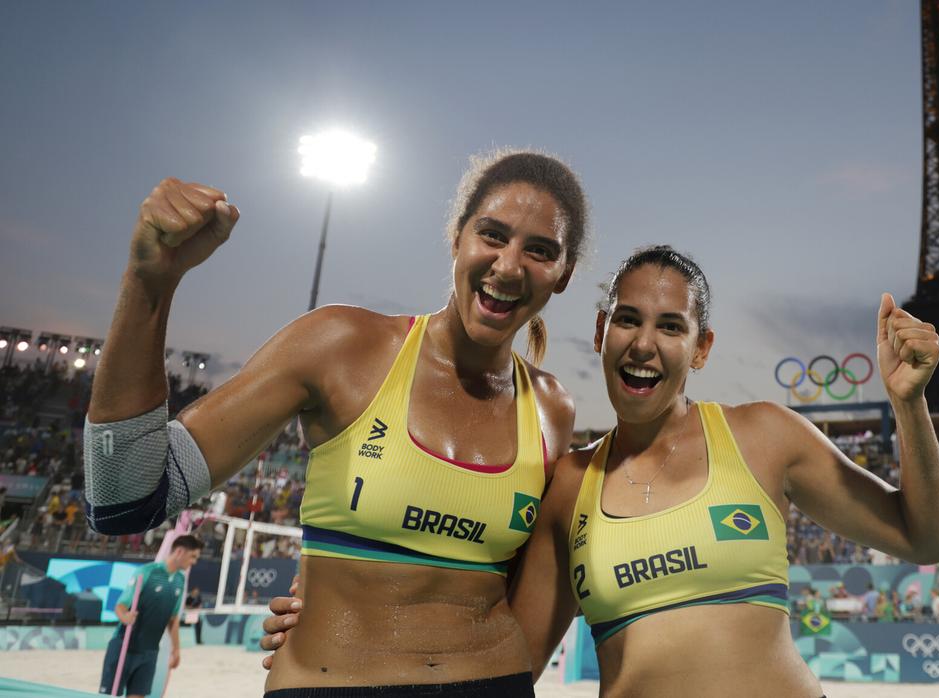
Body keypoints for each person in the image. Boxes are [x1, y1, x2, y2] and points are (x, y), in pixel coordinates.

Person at [266, 246, 939, 697]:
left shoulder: (763, 435)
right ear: (600, 332)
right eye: (626, 320)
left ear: (702, 346)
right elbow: (512, 655)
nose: (643, 344)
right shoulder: (566, 486)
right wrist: (343, 615)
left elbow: (923, 540)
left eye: (670, 326)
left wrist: (907, 404)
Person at [84, 150, 587, 697]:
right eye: (492, 235)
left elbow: (531, 590)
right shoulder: (342, 346)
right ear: (456, 237)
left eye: (540, 251)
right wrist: (148, 284)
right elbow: (123, 497)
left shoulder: (550, 409)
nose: (509, 266)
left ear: (562, 276)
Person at [99, 535, 202, 697]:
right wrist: (125, 617)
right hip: (124, 647)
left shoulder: (180, 581)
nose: (194, 562)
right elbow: (120, 606)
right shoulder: (146, 572)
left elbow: (173, 619)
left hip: (150, 652)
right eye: (193, 556)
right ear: (180, 552)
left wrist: (176, 650)